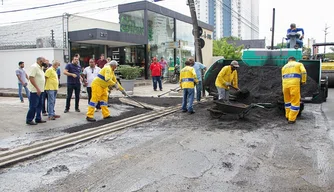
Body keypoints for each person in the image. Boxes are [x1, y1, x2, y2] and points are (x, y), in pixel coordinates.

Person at [282, 56, 307, 124]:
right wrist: (303, 80)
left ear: (288, 60)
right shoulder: (298, 64)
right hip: (294, 85)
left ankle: (287, 116)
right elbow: (304, 72)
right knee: (295, 102)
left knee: (287, 102)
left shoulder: (284, 67)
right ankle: (291, 119)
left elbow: (283, 77)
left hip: (285, 86)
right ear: (294, 60)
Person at [26, 57, 47, 125]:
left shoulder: (40, 68)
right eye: (44, 61)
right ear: (40, 61)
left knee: (39, 105)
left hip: (41, 90)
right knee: (33, 105)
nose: (45, 63)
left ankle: (38, 118)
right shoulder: (34, 67)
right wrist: (37, 88)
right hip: (35, 90)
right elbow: (31, 78)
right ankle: (29, 119)